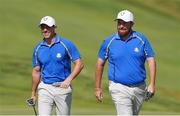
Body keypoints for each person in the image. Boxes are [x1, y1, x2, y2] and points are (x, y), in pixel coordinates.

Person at [95, 10, 156, 115]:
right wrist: (97, 88)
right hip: (119, 87)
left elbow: (151, 60)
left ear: (132, 24)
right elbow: (100, 64)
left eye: (125, 23)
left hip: (139, 87)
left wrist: (152, 84)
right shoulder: (109, 41)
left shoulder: (141, 39)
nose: (121, 26)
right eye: (119, 23)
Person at [31, 16, 84, 115]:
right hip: (45, 87)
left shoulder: (66, 44)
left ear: (54, 27)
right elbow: (36, 71)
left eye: (48, 27)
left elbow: (79, 64)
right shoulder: (38, 48)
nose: (45, 30)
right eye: (43, 27)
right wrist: (33, 93)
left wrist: (68, 80)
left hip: (62, 88)